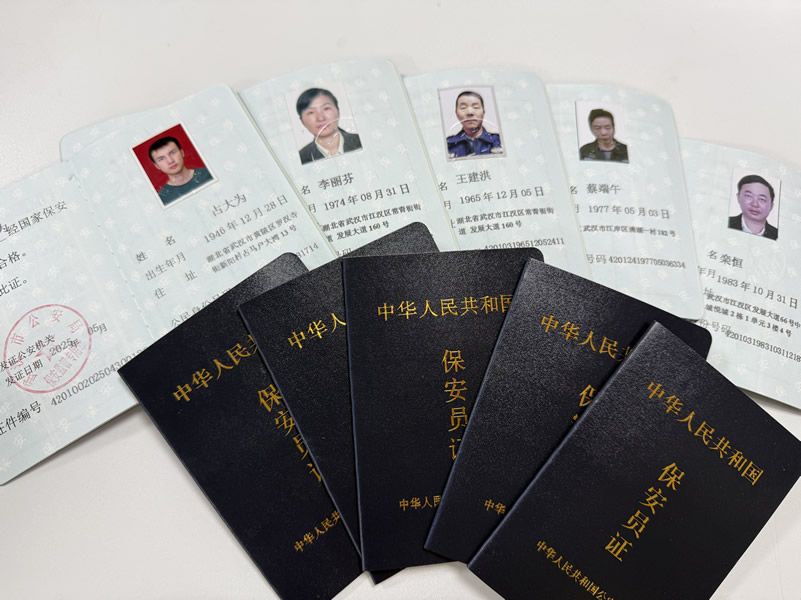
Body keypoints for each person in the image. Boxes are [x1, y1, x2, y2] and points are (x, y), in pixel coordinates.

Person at [296, 88, 362, 164]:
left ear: (338, 111)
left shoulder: (361, 141)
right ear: (302, 121)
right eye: (311, 112)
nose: (320, 118)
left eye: (326, 108)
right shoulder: (301, 158)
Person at [148, 136, 213, 205]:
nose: (170, 161)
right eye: (161, 159)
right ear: (157, 166)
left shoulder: (209, 173)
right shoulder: (162, 199)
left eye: (172, 153)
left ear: (182, 152)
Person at [446, 90, 502, 159]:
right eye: (463, 108)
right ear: (456, 113)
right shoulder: (448, 144)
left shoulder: (499, 141)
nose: (470, 112)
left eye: (476, 107)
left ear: (483, 112)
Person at [728, 174, 778, 240]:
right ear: (738, 197)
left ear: (771, 206)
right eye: (749, 196)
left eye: (761, 199)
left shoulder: (777, 236)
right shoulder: (726, 222)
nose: (755, 204)